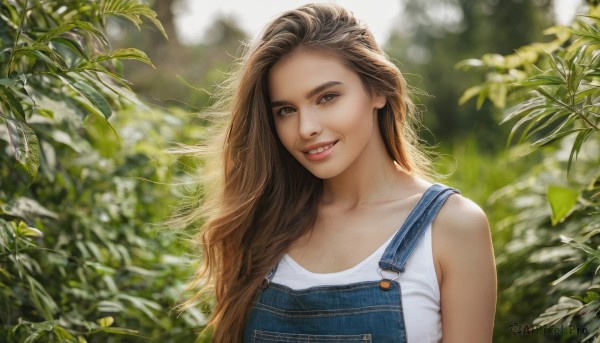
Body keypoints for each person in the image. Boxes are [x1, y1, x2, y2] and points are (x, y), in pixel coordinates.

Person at [179, 3, 497, 342]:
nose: (306, 128)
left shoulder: (452, 227)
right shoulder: (263, 225)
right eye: (286, 110)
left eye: (327, 97)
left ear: (377, 91)